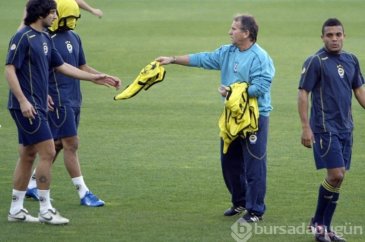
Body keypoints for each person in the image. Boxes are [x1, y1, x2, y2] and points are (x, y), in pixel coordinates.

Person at [5, 0, 119, 224]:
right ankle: (46, 210)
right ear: (41, 14)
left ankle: (16, 209)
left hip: (38, 101)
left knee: (28, 155)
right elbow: (9, 69)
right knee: (48, 151)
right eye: (52, 12)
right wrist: (23, 100)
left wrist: (95, 77)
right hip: (27, 105)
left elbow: (62, 67)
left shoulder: (45, 37)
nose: (56, 16)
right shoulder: (23, 37)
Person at [156, 13, 274, 222]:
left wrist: (232, 92)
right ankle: (239, 202)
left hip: (254, 118)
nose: (230, 32)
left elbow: (262, 87)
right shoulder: (228, 51)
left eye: (234, 29)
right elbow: (204, 59)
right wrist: (173, 60)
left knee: (254, 165)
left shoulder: (260, 57)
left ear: (246, 33)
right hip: (231, 116)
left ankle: (255, 210)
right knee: (229, 162)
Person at [24, 0, 111, 207]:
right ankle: (84, 193)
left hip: (74, 98)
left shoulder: (75, 37)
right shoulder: (45, 40)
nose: (71, 22)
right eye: (67, 17)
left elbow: (80, 65)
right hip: (58, 100)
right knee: (71, 144)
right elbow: (36, 71)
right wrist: (43, 94)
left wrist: (100, 76)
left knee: (57, 145)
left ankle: (32, 184)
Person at [298, 18, 365, 242]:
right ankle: (319, 224)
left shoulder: (351, 60)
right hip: (325, 129)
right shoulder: (316, 61)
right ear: (323, 37)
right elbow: (303, 93)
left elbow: (359, 91)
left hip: (346, 128)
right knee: (335, 174)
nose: (334, 39)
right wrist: (306, 127)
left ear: (344, 36)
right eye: (330, 35)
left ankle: (325, 228)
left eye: (338, 35)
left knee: (339, 179)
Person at [18, 0, 103, 30]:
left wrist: (92, 10)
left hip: (58, 22)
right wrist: (23, 23)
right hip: (46, 22)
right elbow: (31, 4)